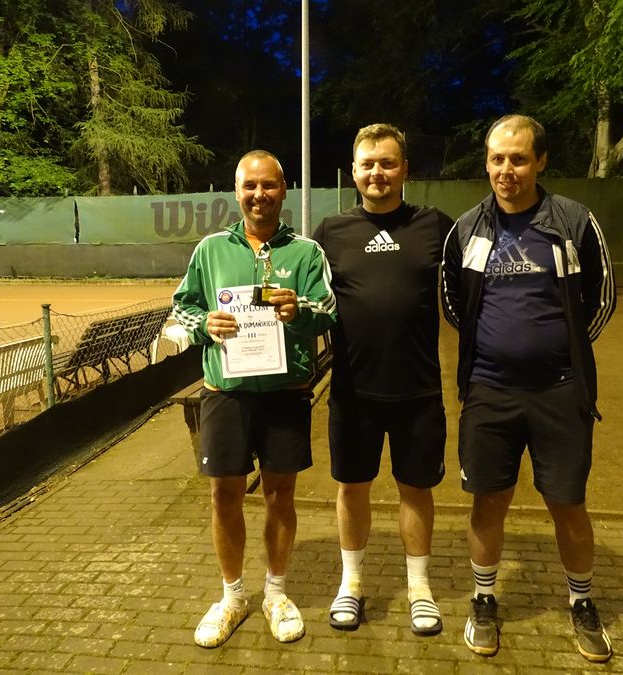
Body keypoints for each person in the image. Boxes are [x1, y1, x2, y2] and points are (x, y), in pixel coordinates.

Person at [441, 114, 617, 662]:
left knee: (567, 502)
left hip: (559, 392)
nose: (506, 170)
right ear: (486, 162)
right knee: (488, 501)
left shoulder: (574, 222)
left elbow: (603, 298)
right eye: (497, 159)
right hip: (488, 390)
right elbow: (452, 300)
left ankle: (582, 603)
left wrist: (564, 350)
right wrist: (492, 349)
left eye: (518, 159)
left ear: (540, 161)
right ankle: (483, 598)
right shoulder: (467, 228)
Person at [172, 150, 337, 648]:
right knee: (223, 496)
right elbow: (183, 307)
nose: (259, 195)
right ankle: (233, 596)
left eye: (268, 185)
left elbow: (328, 311)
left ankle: (276, 594)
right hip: (226, 394)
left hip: (285, 395)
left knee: (280, 495)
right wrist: (205, 324)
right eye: (250, 186)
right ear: (237, 191)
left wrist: (298, 310)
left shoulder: (306, 252)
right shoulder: (210, 250)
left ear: (283, 190)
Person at [313, 123, 453, 636]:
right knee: (352, 489)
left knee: (415, 490)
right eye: (368, 164)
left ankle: (419, 588)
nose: (378, 173)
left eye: (388, 163)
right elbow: (305, 305)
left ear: (404, 170)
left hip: (419, 392)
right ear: (353, 172)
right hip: (353, 393)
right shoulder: (330, 233)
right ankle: (351, 584)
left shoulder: (435, 226)